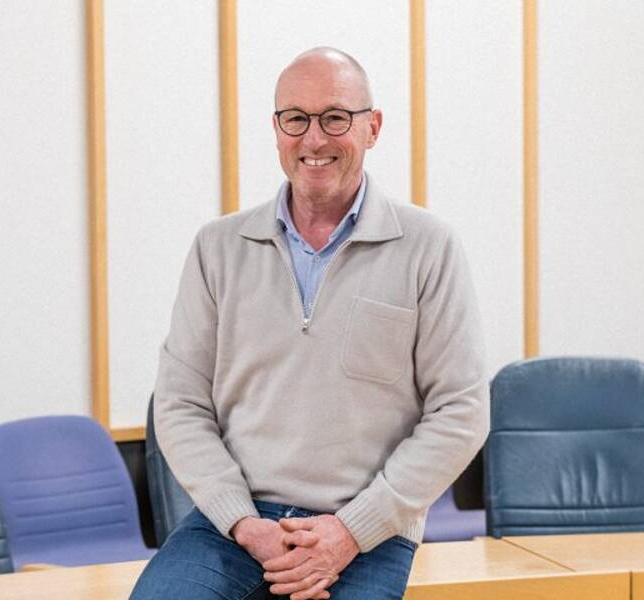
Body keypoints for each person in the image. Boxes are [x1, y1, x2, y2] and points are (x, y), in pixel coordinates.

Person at [130, 47, 489, 600]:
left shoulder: (428, 247)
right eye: (295, 119)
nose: (314, 139)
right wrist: (244, 523)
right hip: (234, 525)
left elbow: (461, 412)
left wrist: (350, 530)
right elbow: (180, 403)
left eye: (335, 118)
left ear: (373, 127)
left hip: (367, 527)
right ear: (276, 131)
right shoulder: (218, 248)